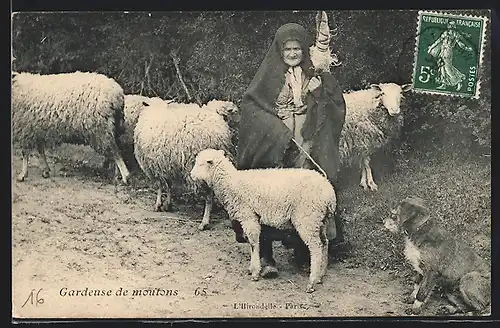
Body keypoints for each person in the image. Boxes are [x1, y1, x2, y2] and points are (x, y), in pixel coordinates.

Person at [235, 22, 348, 277]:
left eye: (297, 48)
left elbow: (335, 103)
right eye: (288, 49)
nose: (293, 53)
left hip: (305, 142)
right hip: (276, 143)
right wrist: (276, 131)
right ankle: (265, 256)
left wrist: (319, 93)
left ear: (304, 49)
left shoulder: (314, 72)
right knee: (267, 196)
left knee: (304, 196)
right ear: (279, 50)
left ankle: (303, 249)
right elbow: (252, 108)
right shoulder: (268, 76)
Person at [427, 21, 473, 91]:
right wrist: (431, 48)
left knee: (448, 68)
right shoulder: (445, 33)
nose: (450, 27)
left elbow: (460, 44)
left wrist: (466, 48)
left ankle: (458, 81)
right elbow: (438, 41)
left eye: (452, 26)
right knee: (441, 68)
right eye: (449, 26)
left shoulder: (455, 34)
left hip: (448, 52)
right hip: (442, 51)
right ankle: (443, 84)